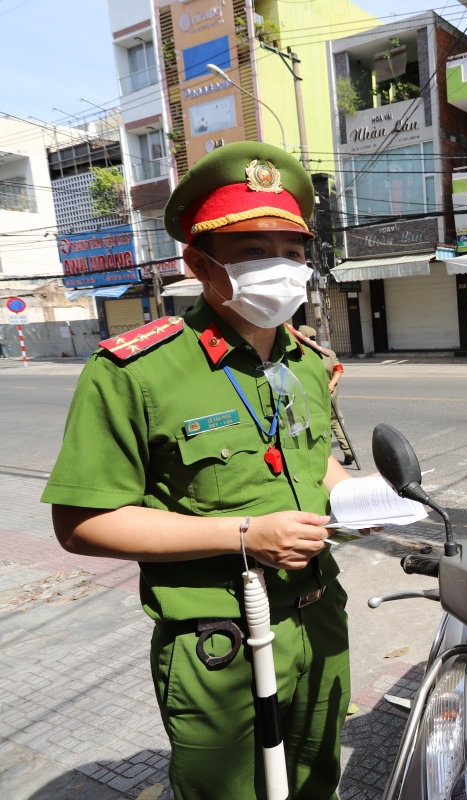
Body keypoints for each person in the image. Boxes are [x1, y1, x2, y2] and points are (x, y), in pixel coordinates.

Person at [43, 142, 356, 800]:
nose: (283, 268)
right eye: (254, 252)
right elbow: (82, 522)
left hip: (321, 616)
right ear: (198, 262)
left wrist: (370, 501)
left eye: (294, 252)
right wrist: (244, 536)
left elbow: (311, 459)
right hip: (221, 642)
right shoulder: (137, 369)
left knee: (315, 783)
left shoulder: (307, 362)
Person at [298, 324, 354, 466]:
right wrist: (331, 385)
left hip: (314, 393)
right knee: (336, 420)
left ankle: (325, 457)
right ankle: (348, 451)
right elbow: (339, 370)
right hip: (331, 391)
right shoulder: (327, 352)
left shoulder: (304, 354)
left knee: (320, 423)